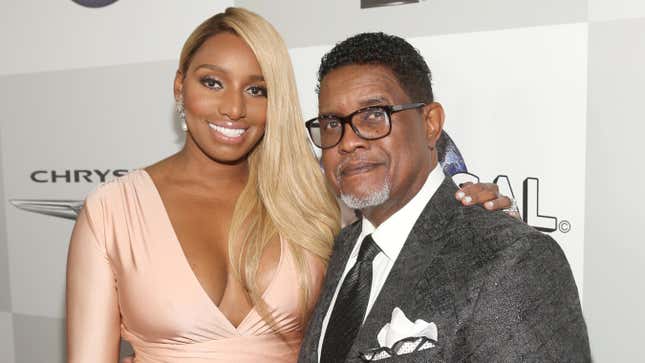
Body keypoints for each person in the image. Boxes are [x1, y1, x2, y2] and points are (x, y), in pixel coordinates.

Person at [66, 8, 513, 363]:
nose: (233, 108)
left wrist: (477, 221)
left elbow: (415, 253)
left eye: (257, 90)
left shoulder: (319, 199)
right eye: (212, 82)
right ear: (180, 87)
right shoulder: (112, 211)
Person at [298, 32, 590, 362]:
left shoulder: (512, 258)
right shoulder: (339, 252)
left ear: (430, 124)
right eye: (332, 123)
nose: (348, 142)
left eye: (374, 115)